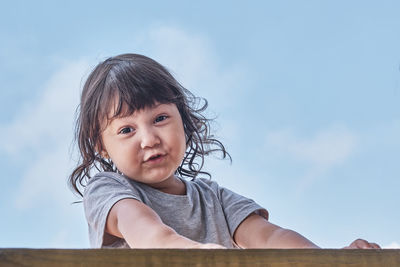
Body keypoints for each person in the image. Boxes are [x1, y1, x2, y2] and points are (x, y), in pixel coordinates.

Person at [69, 53, 380, 249]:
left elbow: (270, 238)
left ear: (184, 122)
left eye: (160, 118)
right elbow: (146, 232)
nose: (149, 139)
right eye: (127, 130)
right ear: (102, 146)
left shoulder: (214, 199)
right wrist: (195, 253)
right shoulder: (109, 190)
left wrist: (327, 261)